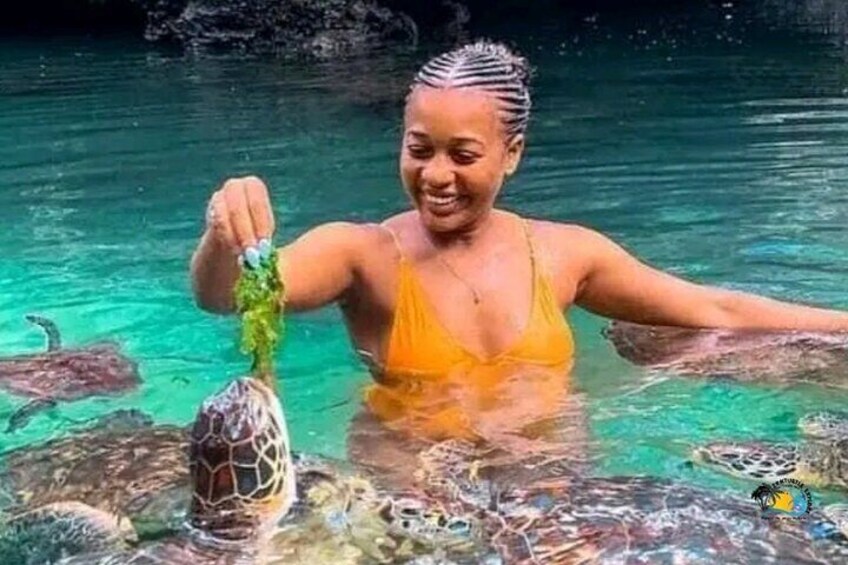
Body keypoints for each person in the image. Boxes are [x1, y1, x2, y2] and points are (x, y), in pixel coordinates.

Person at [191, 40, 848, 453]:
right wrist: (225, 232)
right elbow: (227, 296)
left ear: (512, 154)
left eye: (463, 155)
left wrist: (841, 324)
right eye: (419, 149)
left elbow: (714, 310)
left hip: (551, 483)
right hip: (416, 488)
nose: (436, 175)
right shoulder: (362, 255)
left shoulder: (564, 255)